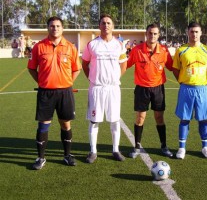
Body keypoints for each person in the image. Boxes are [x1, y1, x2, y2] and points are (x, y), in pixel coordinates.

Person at [27, 16, 81, 170]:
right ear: (48, 28)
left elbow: (77, 69)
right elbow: (31, 68)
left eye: (58, 26)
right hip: (46, 93)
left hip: (65, 92)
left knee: (65, 123)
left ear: (62, 28)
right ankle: (41, 158)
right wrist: (42, 82)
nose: (55, 28)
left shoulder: (70, 47)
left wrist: (68, 82)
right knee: (43, 125)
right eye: (52, 26)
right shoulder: (39, 47)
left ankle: (67, 155)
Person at [82, 13, 127, 163]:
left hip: (113, 88)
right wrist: (92, 78)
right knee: (94, 121)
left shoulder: (119, 45)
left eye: (108, 23)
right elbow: (84, 64)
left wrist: (115, 78)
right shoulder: (92, 44)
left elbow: (123, 64)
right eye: (103, 23)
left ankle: (115, 149)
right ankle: (93, 151)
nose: (106, 25)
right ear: (99, 26)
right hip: (97, 88)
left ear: (113, 26)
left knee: (115, 120)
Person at [127, 23, 173, 159]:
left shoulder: (164, 51)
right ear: (146, 34)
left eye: (155, 34)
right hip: (141, 89)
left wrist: (183, 80)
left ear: (158, 35)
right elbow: (126, 65)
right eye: (149, 33)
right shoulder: (137, 50)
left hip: (158, 88)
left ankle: (164, 146)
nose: (152, 36)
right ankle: (137, 146)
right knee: (140, 118)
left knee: (159, 117)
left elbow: (172, 67)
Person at [172, 22, 207, 159]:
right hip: (186, 89)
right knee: (184, 119)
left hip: (202, 89)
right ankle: (181, 148)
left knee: (203, 119)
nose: (194, 34)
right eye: (191, 32)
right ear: (187, 32)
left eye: (196, 32)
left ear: (201, 33)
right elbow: (175, 69)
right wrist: (184, 81)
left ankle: (205, 147)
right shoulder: (181, 50)